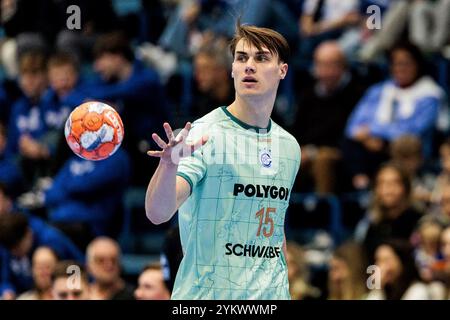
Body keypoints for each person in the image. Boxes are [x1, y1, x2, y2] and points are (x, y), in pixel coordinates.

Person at [145, 22, 300, 299]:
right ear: (232, 69)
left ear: (282, 70)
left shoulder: (289, 146)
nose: (249, 66)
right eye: (241, 58)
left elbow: (275, 230)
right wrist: (168, 166)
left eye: (261, 58)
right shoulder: (204, 135)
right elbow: (158, 213)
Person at [293, 41, 367, 193]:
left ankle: (323, 212)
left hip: (343, 153)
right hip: (309, 152)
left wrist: (312, 150)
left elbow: (345, 133)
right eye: (321, 65)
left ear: (343, 65)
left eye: (331, 65)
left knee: (323, 159)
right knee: (286, 159)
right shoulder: (308, 93)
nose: (325, 71)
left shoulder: (357, 91)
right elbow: (298, 128)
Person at [0, 212, 84, 298]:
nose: (15, 253)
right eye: (11, 250)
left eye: (18, 247)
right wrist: (7, 290)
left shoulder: (52, 240)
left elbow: (78, 267)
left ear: (28, 233)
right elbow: (5, 278)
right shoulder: (8, 242)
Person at [355, 163, 423, 258]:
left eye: (394, 183)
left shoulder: (419, 220)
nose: (387, 189)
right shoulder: (372, 223)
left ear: (405, 187)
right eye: (381, 183)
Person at [366, 239, 431, 300]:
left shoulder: (418, 290)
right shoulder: (386, 290)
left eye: (386, 260)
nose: (379, 266)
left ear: (402, 262)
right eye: (377, 260)